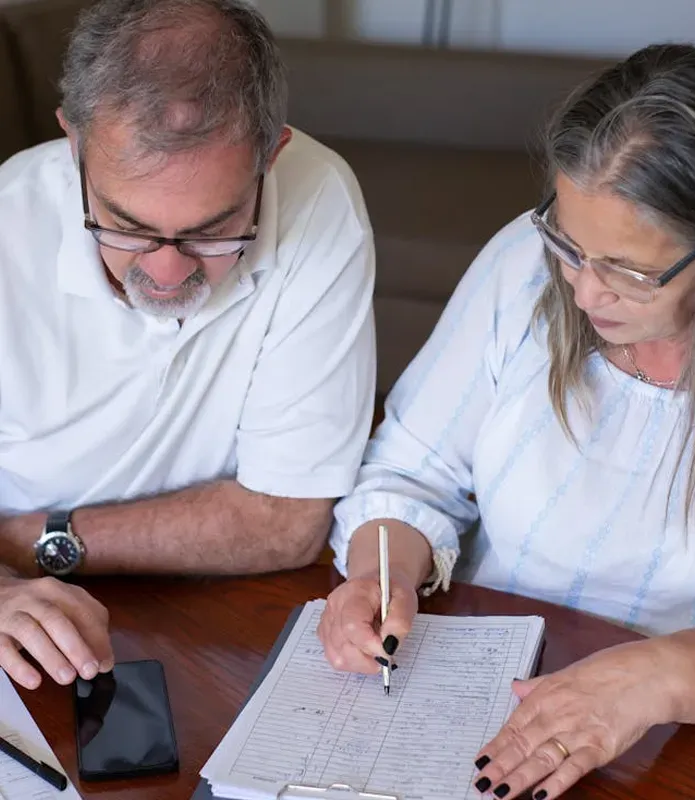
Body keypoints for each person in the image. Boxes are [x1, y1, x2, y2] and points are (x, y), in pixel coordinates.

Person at [318, 42, 695, 800]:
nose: (583, 293)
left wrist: (650, 679)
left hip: (687, 747)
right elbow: (413, 470)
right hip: (472, 688)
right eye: (570, 247)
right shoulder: (524, 262)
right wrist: (380, 575)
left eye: (630, 271)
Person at [0, 0, 375, 691]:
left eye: (215, 228)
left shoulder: (319, 198)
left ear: (273, 154)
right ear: (73, 145)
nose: (167, 273)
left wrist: (27, 542)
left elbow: (287, 520)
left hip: (226, 617)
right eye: (126, 226)